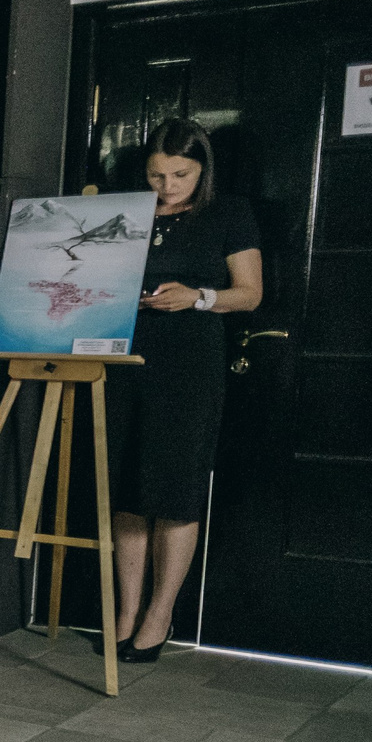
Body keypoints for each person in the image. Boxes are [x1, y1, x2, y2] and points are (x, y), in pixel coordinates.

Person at [103, 118, 262, 663]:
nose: (166, 185)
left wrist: (198, 297)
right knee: (126, 490)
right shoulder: (128, 212)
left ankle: (160, 612)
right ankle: (125, 610)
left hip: (189, 366)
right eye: (156, 174)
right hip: (124, 358)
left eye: (180, 174)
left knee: (174, 489)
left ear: (203, 169)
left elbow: (251, 294)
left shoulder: (229, 213)